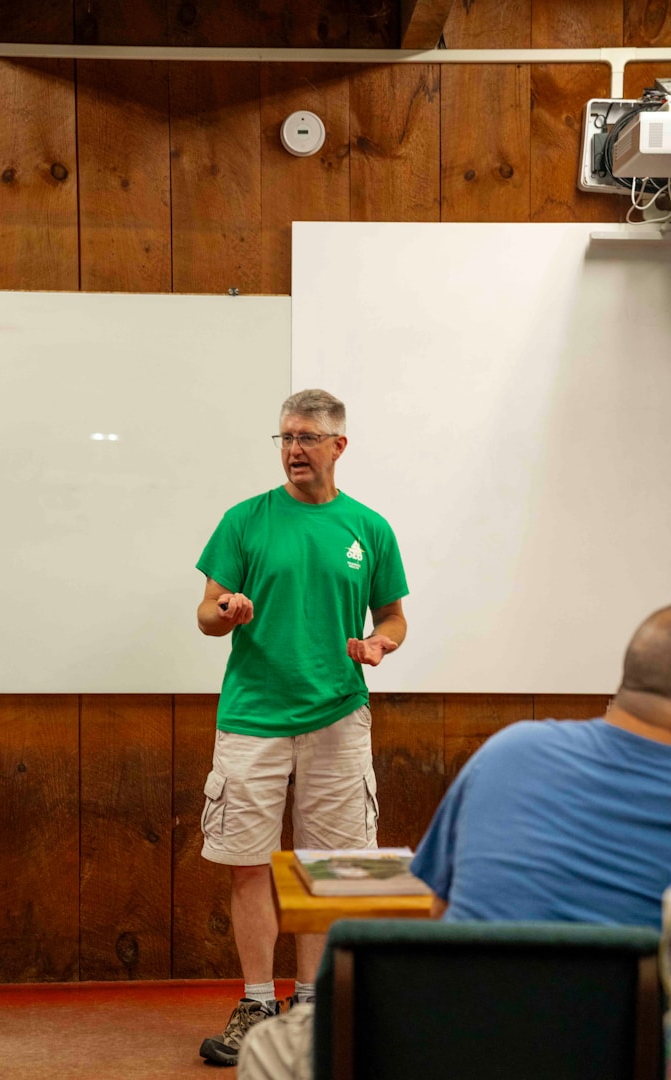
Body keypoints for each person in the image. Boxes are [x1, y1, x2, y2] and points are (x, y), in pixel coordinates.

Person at [238, 603, 671, 1079]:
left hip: (439, 1044)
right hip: (605, 1053)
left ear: (626, 679)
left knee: (268, 1047)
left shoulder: (512, 751)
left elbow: (437, 916)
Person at [195, 388, 408, 1066]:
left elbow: (394, 615)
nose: (293, 449)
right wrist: (225, 609)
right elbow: (205, 612)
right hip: (253, 717)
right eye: (286, 437)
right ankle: (258, 1002)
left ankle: (313, 1006)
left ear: (338, 446)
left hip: (338, 718)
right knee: (248, 865)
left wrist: (381, 642)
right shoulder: (245, 520)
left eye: (307, 437)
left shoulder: (369, 528)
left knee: (327, 872)